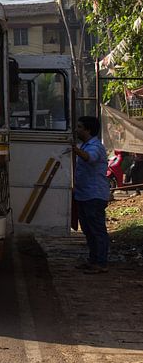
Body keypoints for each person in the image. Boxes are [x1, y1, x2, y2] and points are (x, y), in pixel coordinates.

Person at [73, 115, 110, 274]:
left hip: (94, 195)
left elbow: (90, 158)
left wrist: (74, 150)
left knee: (97, 230)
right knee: (88, 230)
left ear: (88, 130)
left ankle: (101, 263)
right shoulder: (86, 145)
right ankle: (93, 260)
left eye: (80, 127)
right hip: (84, 194)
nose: (77, 129)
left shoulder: (95, 146)